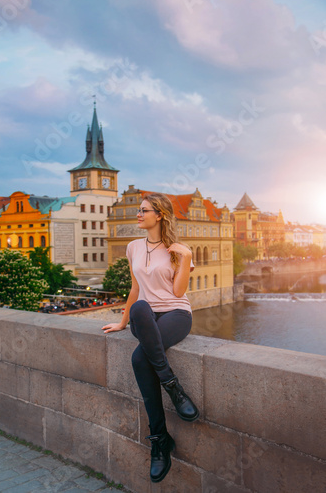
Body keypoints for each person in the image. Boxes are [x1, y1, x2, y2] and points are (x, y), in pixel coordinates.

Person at [102, 192, 199, 483]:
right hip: (144, 318)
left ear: (160, 215)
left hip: (175, 315)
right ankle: (173, 387)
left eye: (144, 210)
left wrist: (187, 257)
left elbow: (179, 292)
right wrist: (122, 321)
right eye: (138, 210)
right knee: (141, 306)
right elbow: (135, 290)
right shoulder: (133, 247)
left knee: (139, 358)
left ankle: (159, 439)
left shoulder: (178, 249)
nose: (138, 214)